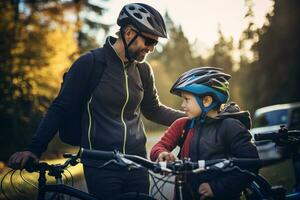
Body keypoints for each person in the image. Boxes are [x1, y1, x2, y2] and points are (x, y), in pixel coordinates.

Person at [8, 3, 184, 199]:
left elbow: (154, 110)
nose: (151, 49)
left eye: (155, 44)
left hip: (137, 164)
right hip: (101, 165)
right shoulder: (91, 63)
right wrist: (34, 149)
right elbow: (61, 108)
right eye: (149, 41)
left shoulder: (143, 70)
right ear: (128, 33)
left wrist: (194, 118)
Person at [150, 67, 259, 200]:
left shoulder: (230, 127)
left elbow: (250, 165)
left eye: (186, 99)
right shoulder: (183, 124)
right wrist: (162, 154)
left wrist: (216, 188)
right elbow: (158, 147)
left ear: (207, 101)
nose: (182, 105)